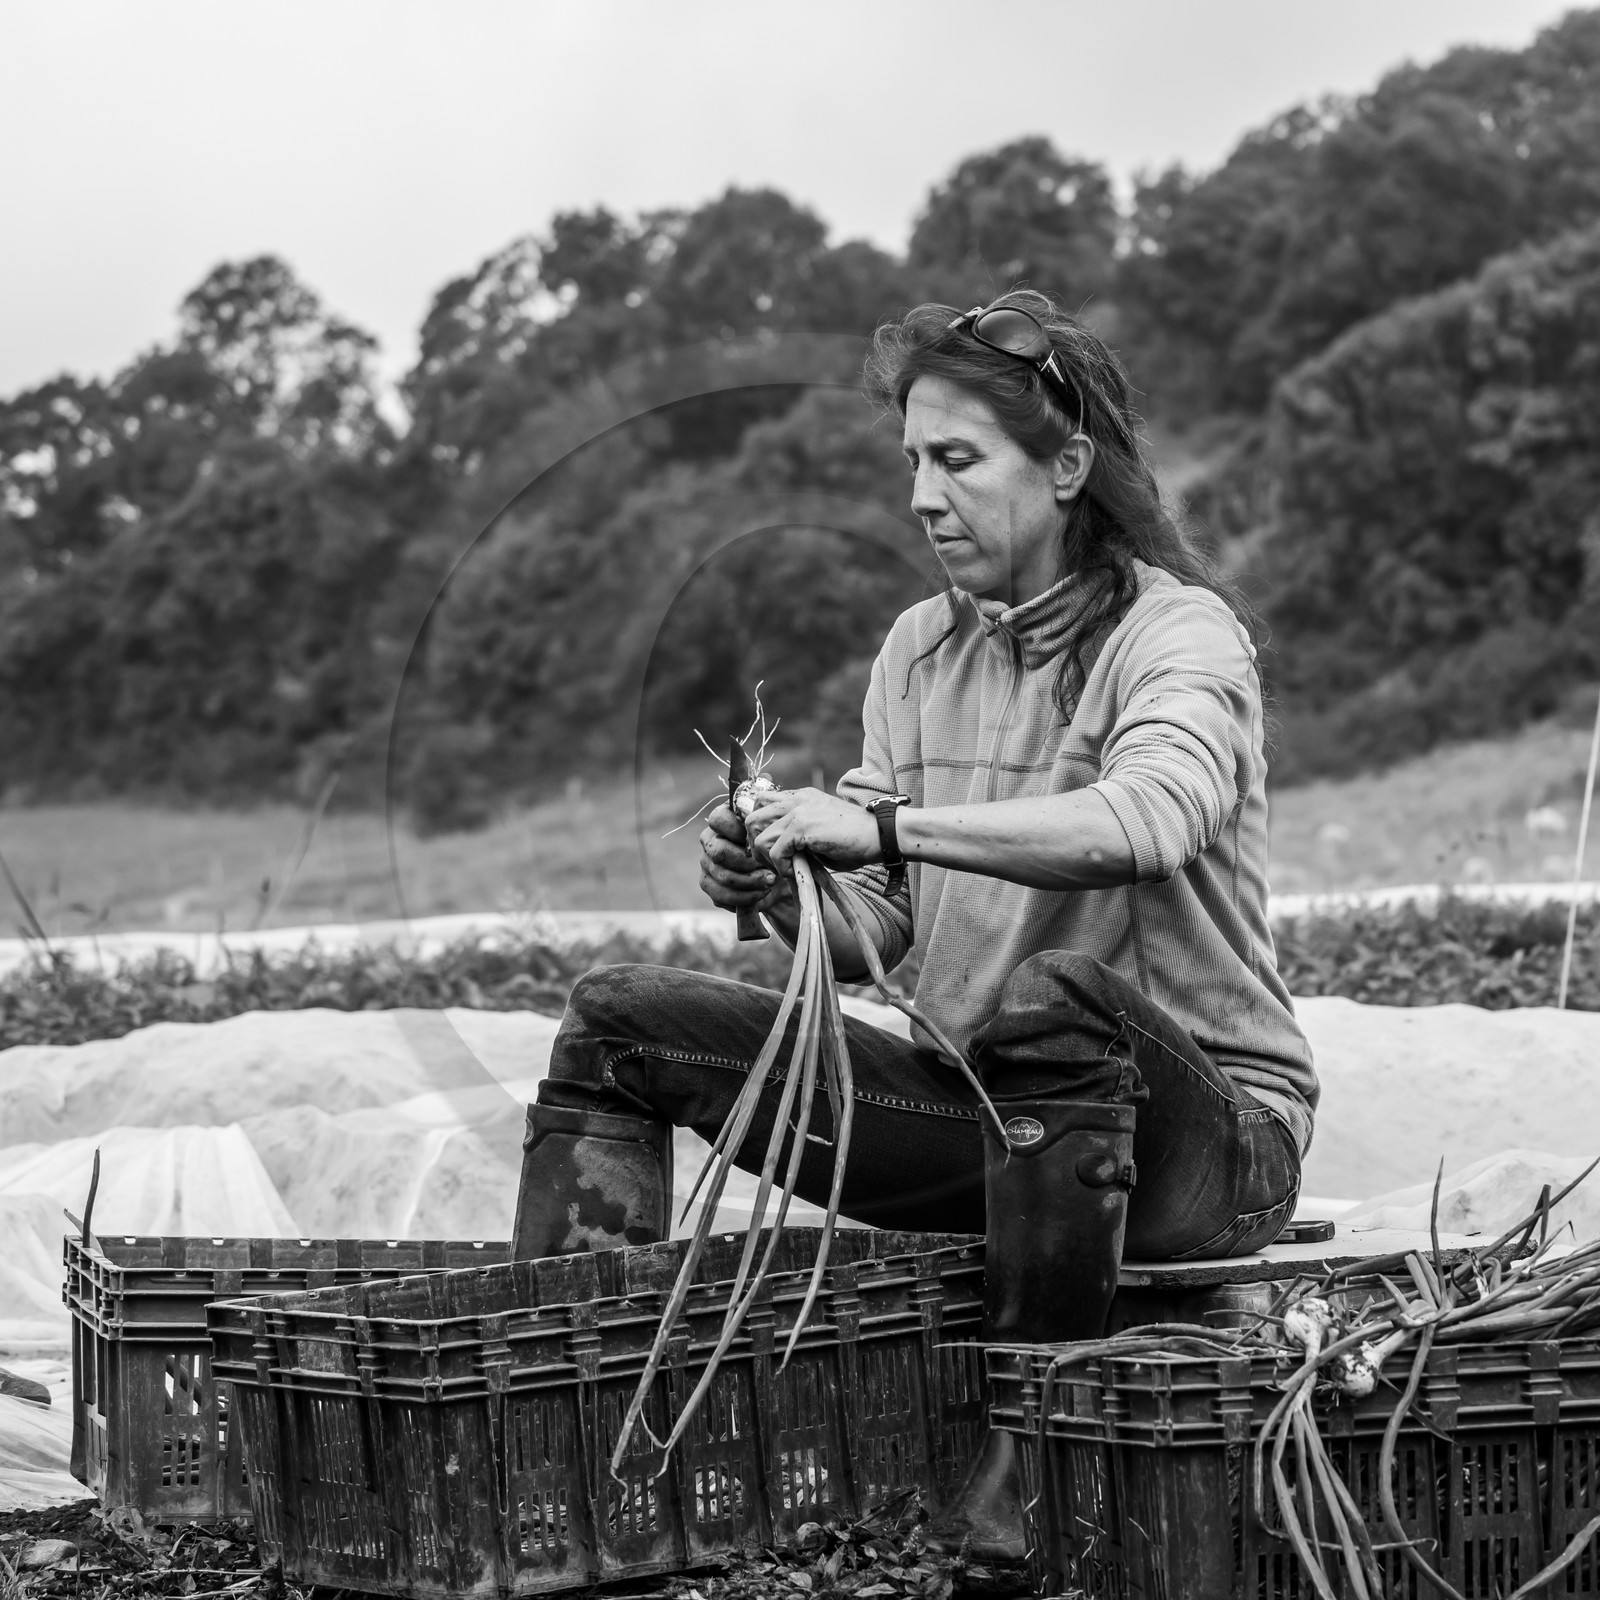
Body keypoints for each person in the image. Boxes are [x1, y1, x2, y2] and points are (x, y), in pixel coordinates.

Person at [510, 290, 1317, 1551]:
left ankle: (1024, 1474)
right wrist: (784, 885)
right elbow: (880, 930)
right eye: (910, 466)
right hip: (988, 1123)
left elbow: (1148, 818)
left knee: (1054, 1001)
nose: (921, 498)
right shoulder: (916, 653)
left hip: (1202, 1145)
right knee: (616, 1022)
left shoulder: (1178, 635)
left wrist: (876, 828)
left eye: (955, 461)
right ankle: (559, 1457)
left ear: (1064, 468)